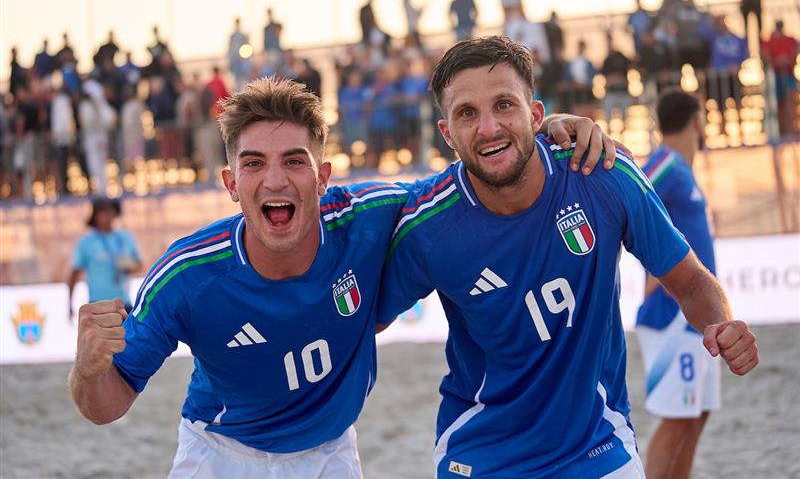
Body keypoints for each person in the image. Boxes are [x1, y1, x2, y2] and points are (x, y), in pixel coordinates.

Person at [69, 75, 617, 478]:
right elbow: (106, 406)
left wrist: (550, 133)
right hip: (220, 457)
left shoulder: (376, 215)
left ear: (323, 176)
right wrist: (87, 369)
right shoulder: (187, 276)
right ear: (231, 183)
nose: (275, 179)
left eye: (295, 160)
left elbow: (483, 169)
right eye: (254, 164)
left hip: (332, 455)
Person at [377, 36, 759, 478]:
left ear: (535, 114)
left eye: (504, 105)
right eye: (467, 113)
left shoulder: (601, 175)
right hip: (482, 455)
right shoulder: (428, 224)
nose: (488, 127)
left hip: (597, 446)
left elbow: (691, 281)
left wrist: (720, 324)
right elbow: (363, 322)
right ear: (446, 134)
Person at [636, 88, 719, 479]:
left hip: (698, 318)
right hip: (672, 316)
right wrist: (653, 275)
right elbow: (630, 195)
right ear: (697, 121)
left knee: (696, 415)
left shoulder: (681, 168)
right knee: (677, 419)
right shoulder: (665, 163)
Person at [67, 197, 142, 319]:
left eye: (110, 211)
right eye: (103, 212)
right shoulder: (86, 242)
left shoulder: (125, 238)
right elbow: (74, 274)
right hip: (97, 305)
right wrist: (69, 303)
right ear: (95, 215)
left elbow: (140, 265)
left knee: (127, 337)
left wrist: (130, 266)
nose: (107, 215)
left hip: (123, 303)